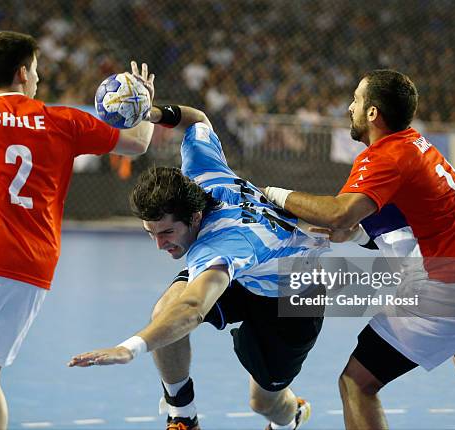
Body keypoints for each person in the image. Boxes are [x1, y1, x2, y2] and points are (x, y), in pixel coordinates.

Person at [0, 31, 155, 430]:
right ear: (23, 72)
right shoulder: (62, 121)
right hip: (36, 269)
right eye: (38, 70)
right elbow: (137, 144)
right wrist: (143, 103)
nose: (40, 78)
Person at [263, 69, 455, 430]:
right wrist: (351, 236)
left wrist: (274, 194)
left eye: (356, 99)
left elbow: (339, 213)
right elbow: (391, 229)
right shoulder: (418, 146)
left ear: (372, 113)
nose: (349, 106)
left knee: (357, 382)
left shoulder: (386, 157)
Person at [68, 103, 327, 430]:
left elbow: (192, 308)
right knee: (165, 310)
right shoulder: (200, 168)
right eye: (151, 234)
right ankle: (183, 415)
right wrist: (151, 112)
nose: (160, 245)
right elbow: (198, 119)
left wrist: (129, 348)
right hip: (251, 267)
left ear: (193, 218)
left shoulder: (217, 246)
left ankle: (291, 418)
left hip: (294, 297)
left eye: (166, 233)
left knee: (264, 403)